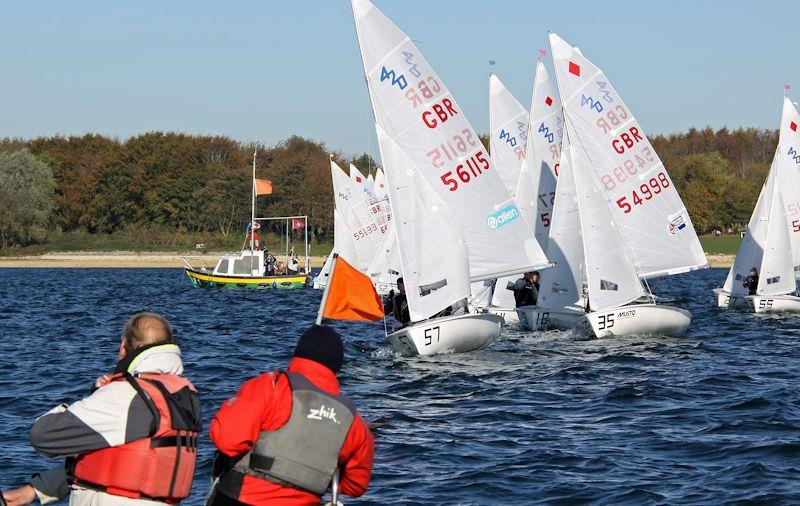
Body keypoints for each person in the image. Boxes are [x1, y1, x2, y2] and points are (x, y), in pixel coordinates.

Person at [1, 313, 201, 506]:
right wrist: (37, 490)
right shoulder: (183, 397)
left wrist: (81, 403)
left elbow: (42, 436)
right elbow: (124, 464)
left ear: (124, 347)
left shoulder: (124, 394)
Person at [207, 325, 374, 505]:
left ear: (297, 355)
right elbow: (356, 485)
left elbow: (226, 439)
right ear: (337, 367)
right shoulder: (353, 421)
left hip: (243, 497)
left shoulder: (271, 385)